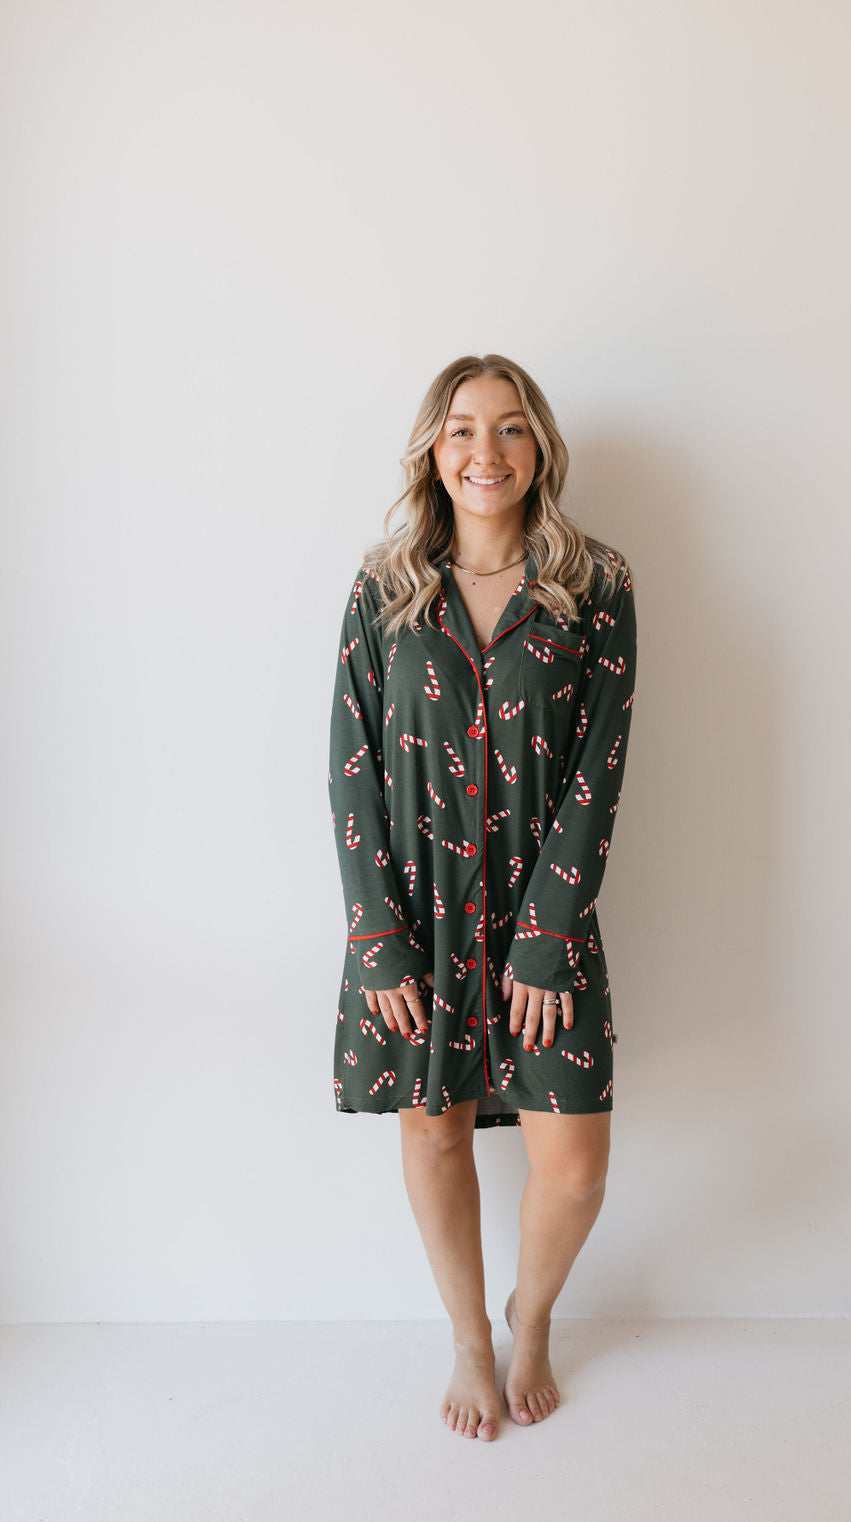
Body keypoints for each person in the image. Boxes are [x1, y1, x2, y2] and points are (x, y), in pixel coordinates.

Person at [328, 353, 637, 1441]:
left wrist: (550, 935)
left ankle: (532, 1314)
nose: (485, 450)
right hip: (415, 907)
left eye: (509, 429)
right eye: (461, 429)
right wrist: (377, 936)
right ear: (432, 450)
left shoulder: (596, 585)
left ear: (538, 450)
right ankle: (468, 1334)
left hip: (546, 913)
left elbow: (601, 766)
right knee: (438, 1128)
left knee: (575, 1164)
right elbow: (351, 765)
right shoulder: (383, 588)